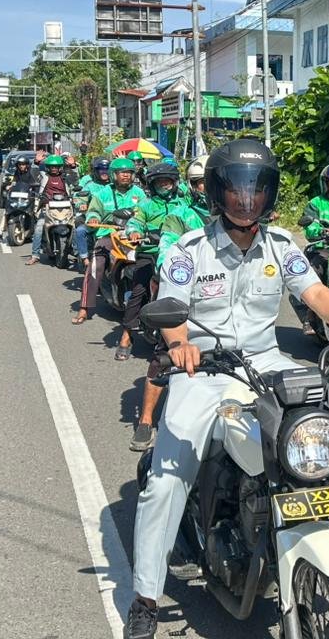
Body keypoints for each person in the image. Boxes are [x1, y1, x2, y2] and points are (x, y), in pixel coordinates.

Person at [126, 139, 329, 639]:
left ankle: (302, 513)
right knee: (166, 479)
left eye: (257, 190)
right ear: (219, 193)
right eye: (237, 190)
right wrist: (180, 345)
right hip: (204, 367)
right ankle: (144, 596)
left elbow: (313, 293)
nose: (247, 201)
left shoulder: (281, 246)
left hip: (267, 363)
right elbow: (173, 309)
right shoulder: (189, 250)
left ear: (268, 194)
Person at [124, 161, 207, 449]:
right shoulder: (181, 215)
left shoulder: (238, 219)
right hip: (186, 291)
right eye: (202, 183)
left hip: (221, 299)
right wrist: (177, 279)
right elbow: (167, 252)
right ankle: (146, 420)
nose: (208, 189)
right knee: (165, 355)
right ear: (194, 187)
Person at [116, 159, 205, 363]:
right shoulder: (146, 205)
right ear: (152, 185)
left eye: (167, 181)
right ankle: (126, 336)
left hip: (183, 255)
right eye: (159, 182)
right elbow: (134, 222)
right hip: (151, 252)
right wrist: (135, 232)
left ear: (175, 183)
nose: (164, 185)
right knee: (139, 290)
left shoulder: (184, 205)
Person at [75, 157, 148, 325]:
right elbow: (93, 212)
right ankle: (84, 307)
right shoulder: (103, 193)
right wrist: (93, 219)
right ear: (113, 174)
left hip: (133, 236)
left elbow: (146, 213)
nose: (126, 176)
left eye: (129, 173)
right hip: (109, 235)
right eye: (122, 173)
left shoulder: (139, 193)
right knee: (96, 264)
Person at [26, 155, 76, 264]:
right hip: (46, 209)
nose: (54, 169)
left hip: (65, 209)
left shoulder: (65, 177)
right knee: (39, 228)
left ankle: (77, 252)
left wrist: (73, 166)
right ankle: (35, 255)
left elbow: (75, 177)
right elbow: (34, 172)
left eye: (56, 167)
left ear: (60, 167)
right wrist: (36, 162)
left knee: (75, 226)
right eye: (52, 167)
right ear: (48, 167)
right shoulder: (44, 176)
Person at [73, 157, 111, 270]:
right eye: (101, 170)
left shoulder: (114, 186)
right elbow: (79, 198)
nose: (105, 173)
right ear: (96, 171)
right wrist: (81, 205)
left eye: (107, 170)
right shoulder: (90, 185)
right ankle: (84, 258)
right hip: (93, 219)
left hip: (114, 221)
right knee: (80, 230)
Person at [0, 156, 38, 242]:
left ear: (27, 165)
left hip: (30, 196)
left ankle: (39, 234)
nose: (21, 166)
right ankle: (0, 232)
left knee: (37, 212)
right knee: (6, 212)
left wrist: (35, 187)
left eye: (23, 164)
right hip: (19, 197)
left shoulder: (31, 172)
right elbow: (14, 182)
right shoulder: (17, 172)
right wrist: (10, 186)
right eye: (20, 164)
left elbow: (35, 178)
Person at [184, 156, 209, 220]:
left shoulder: (233, 213)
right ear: (193, 186)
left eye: (214, 181)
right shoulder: (183, 217)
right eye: (203, 181)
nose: (209, 185)